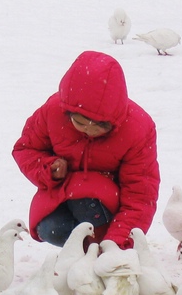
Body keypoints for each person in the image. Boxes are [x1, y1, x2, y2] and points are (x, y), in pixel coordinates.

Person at [12, 50, 160, 250]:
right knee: (50, 228)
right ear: (68, 111)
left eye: (99, 126)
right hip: (61, 194)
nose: (89, 131)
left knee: (86, 200)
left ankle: (101, 249)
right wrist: (48, 168)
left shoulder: (137, 129)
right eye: (80, 123)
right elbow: (26, 148)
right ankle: (83, 253)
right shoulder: (53, 111)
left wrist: (116, 244)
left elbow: (140, 196)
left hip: (106, 206)